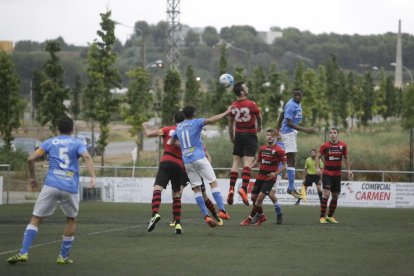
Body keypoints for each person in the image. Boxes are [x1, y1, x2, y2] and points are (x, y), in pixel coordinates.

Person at [7, 117, 96, 265]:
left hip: (51, 185)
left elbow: (30, 159)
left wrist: (33, 179)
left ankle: (23, 252)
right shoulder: (78, 143)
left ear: (58, 129)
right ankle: (63, 256)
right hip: (69, 187)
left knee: (36, 218)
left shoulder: (50, 142)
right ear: (72, 129)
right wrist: (93, 177)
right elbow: (86, 156)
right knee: (71, 219)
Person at [172, 105, 230, 227]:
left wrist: (183, 146)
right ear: (193, 114)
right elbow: (212, 119)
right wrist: (227, 112)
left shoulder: (178, 127)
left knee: (197, 189)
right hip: (199, 158)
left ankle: (206, 215)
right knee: (213, 182)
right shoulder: (196, 122)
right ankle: (222, 210)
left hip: (187, 162)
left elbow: (172, 142)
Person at [143, 111, 186, 234]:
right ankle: (178, 224)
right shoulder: (186, 133)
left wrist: (146, 127)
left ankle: (155, 214)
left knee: (158, 188)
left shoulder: (166, 129)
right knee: (176, 194)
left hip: (166, 161)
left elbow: (149, 134)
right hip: (178, 164)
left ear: (174, 119)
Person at [275, 88, 316, 199]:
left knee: (292, 159)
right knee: (291, 159)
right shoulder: (291, 105)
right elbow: (288, 122)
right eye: (295, 95)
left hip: (291, 132)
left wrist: (277, 126)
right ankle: (291, 188)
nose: (297, 97)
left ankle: (291, 187)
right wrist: (305, 129)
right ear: (293, 95)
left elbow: (283, 113)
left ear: (302, 95)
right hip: (288, 133)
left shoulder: (296, 103)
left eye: (299, 95)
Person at [240, 129, 286, 226]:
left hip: (270, 178)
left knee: (262, 197)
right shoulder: (262, 148)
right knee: (253, 197)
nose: (269, 136)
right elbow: (258, 161)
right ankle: (261, 215)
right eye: (268, 135)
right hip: (260, 176)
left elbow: (285, 165)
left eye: (271, 135)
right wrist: (249, 167)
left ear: (275, 137)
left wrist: (276, 173)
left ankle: (250, 218)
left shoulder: (279, 150)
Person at [228, 81, 262, 206]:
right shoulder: (251, 104)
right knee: (247, 163)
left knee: (236, 162)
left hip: (238, 135)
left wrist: (232, 137)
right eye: (245, 87)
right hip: (250, 135)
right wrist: (260, 126)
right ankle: (243, 187)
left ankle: (231, 188)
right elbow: (259, 117)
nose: (247, 88)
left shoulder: (233, 106)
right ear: (242, 91)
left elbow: (230, 123)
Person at [316, 127, 353, 224]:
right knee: (326, 195)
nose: (332, 134)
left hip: (337, 174)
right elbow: (318, 156)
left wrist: (349, 169)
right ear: (329, 135)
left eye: (334, 133)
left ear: (338, 134)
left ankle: (330, 216)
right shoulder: (325, 146)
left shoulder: (343, 145)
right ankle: (322, 217)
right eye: (331, 133)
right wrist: (318, 168)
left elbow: (346, 157)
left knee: (335, 196)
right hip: (327, 173)